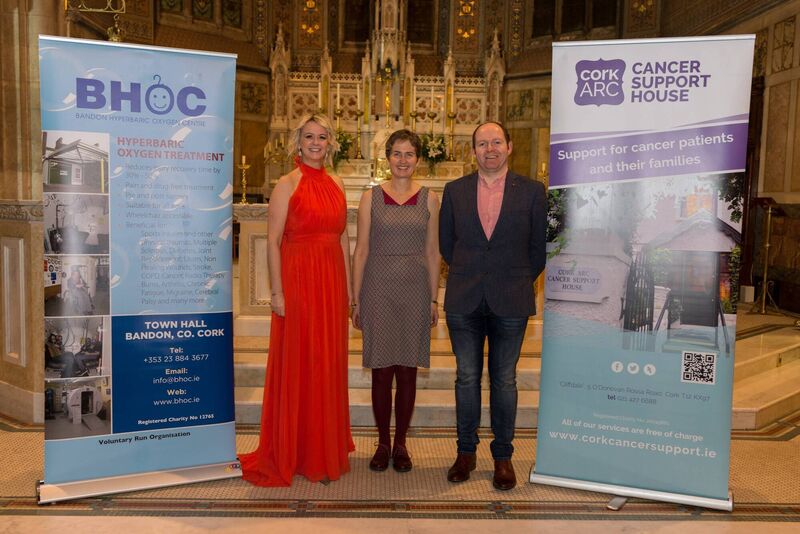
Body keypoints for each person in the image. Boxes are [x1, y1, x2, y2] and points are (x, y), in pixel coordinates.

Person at [239, 113, 355, 486]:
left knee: (327, 362)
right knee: (302, 361)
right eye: (309, 136)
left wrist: (349, 290)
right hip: (300, 281)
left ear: (330, 142)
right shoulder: (286, 184)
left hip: (331, 283)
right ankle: (298, 452)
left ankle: (322, 449)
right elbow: (273, 242)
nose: (316, 143)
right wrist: (277, 292)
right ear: (298, 142)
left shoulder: (337, 182)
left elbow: (342, 239)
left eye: (322, 136)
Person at [439, 121, 546, 491]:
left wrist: (516, 278)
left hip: (511, 297)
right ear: (473, 151)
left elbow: (538, 249)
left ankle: (503, 457)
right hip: (464, 297)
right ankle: (465, 453)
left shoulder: (532, 191)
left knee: (504, 380)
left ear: (509, 147)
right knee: (466, 378)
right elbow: (446, 244)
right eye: (482, 144)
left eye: (496, 142)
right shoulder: (454, 190)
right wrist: (473, 271)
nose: (490, 149)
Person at [352, 129, 440, 473]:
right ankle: (383, 442)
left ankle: (401, 443)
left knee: (406, 371)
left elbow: (433, 252)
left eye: (409, 154)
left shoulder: (430, 199)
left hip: (416, 289)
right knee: (381, 370)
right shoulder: (370, 198)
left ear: (418, 159)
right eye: (397, 154)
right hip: (377, 288)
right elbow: (361, 250)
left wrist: (434, 299)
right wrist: (356, 299)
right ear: (387, 158)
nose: (403, 160)